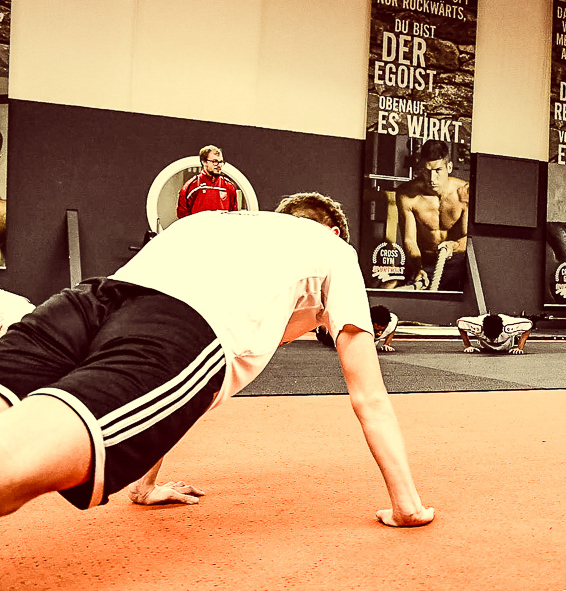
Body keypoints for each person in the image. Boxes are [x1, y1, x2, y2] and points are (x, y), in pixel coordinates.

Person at [0, 192, 433, 527]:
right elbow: (369, 397)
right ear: (335, 230)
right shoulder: (334, 248)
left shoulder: (207, 222)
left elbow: (169, 385)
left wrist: (146, 486)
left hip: (86, 301)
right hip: (179, 326)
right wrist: (407, 507)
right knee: (12, 470)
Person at [395, 140, 468, 291]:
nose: (432, 178)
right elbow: (409, 240)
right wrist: (417, 268)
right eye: (426, 171)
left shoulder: (464, 193)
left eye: (438, 170)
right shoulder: (407, 194)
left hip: (457, 266)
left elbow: (468, 239)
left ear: (449, 167)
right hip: (423, 264)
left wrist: (453, 246)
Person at [176, 145, 242, 219]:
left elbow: (233, 215)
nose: (219, 165)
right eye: (215, 161)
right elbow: (182, 216)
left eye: (221, 162)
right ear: (204, 162)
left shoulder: (229, 186)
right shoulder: (191, 185)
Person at [315, 305, 398, 353]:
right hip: (339, 329)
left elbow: (392, 329)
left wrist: (387, 344)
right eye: (376, 330)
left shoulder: (393, 320)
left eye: (381, 331)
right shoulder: (359, 323)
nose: (379, 334)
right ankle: (323, 324)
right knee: (328, 341)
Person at [458, 312, 533, 354]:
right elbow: (460, 323)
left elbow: (529, 325)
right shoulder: (477, 325)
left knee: (513, 337)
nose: (493, 340)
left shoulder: (509, 325)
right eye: (491, 337)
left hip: (506, 343)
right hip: (485, 345)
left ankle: (516, 338)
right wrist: (468, 346)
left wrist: (520, 347)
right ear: (483, 328)